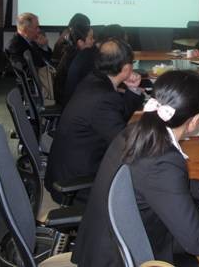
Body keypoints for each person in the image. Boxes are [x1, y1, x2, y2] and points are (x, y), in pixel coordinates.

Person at [72, 70, 199, 266]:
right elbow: (198, 242)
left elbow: (152, 183)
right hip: (122, 258)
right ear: (195, 120)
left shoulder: (136, 131)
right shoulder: (163, 160)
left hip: (102, 246)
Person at [45, 38, 144, 203]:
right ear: (127, 68)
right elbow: (125, 145)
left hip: (70, 168)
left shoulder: (93, 80)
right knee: (144, 187)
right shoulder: (103, 98)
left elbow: (117, 116)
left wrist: (133, 89)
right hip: (78, 182)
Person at [63, 24, 127, 105]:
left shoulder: (90, 53)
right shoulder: (95, 58)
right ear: (112, 42)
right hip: (80, 105)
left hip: (77, 102)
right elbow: (100, 88)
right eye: (121, 46)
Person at [53, 23, 94, 106]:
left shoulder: (71, 53)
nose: (94, 41)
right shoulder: (82, 59)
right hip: (70, 103)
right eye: (91, 38)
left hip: (65, 99)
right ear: (80, 42)